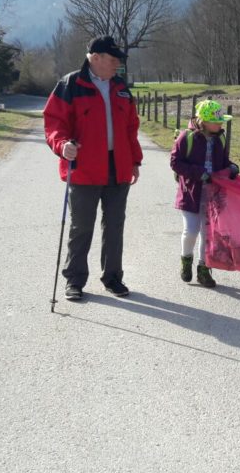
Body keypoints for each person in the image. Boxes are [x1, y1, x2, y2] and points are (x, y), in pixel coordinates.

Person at [43, 35, 142, 301]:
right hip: (84, 169)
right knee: (81, 227)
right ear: (94, 58)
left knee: (114, 227)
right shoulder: (70, 84)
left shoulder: (120, 87)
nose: (117, 65)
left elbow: (131, 127)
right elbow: (54, 122)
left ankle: (113, 278)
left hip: (118, 168)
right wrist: (62, 145)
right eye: (112, 60)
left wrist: (135, 160)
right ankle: (74, 280)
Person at [170, 100, 239, 288]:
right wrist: (198, 173)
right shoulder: (187, 137)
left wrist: (231, 168)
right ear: (204, 121)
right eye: (217, 121)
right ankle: (186, 260)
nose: (221, 124)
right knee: (191, 231)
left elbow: (223, 162)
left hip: (213, 194)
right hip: (191, 193)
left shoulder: (220, 138)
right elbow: (176, 163)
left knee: (208, 234)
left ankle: (204, 269)